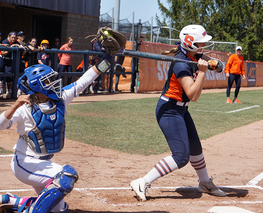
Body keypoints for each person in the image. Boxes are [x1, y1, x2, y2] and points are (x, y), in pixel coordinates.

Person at [0, 53, 113, 212]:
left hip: (44, 163)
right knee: (66, 176)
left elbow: (83, 81)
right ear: (38, 86)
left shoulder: (61, 98)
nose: (53, 82)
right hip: (26, 163)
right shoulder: (25, 108)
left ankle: (10, 201)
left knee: (58, 210)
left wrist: (106, 61)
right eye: (48, 80)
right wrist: (14, 106)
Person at [130, 24, 227, 202]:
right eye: (200, 43)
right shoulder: (181, 64)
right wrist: (203, 72)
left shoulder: (194, 55)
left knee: (195, 147)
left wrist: (215, 64)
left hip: (181, 109)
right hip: (169, 110)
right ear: (189, 43)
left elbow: (211, 61)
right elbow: (193, 94)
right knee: (181, 156)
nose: (203, 46)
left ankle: (204, 182)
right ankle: (142, 181)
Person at [0, 32, 20, 99]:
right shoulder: (5, 41)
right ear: (8, 37)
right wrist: (10, 48)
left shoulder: (16, 42)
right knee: (1, 76)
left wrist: (17, 46)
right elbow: (3, 53)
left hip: (10, 60)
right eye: (12, 37)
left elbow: (21, 47)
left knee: (9, 75)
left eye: (14, 37)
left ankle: (9, 92)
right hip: (2, 59)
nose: (13, 39)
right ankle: (1, 92)